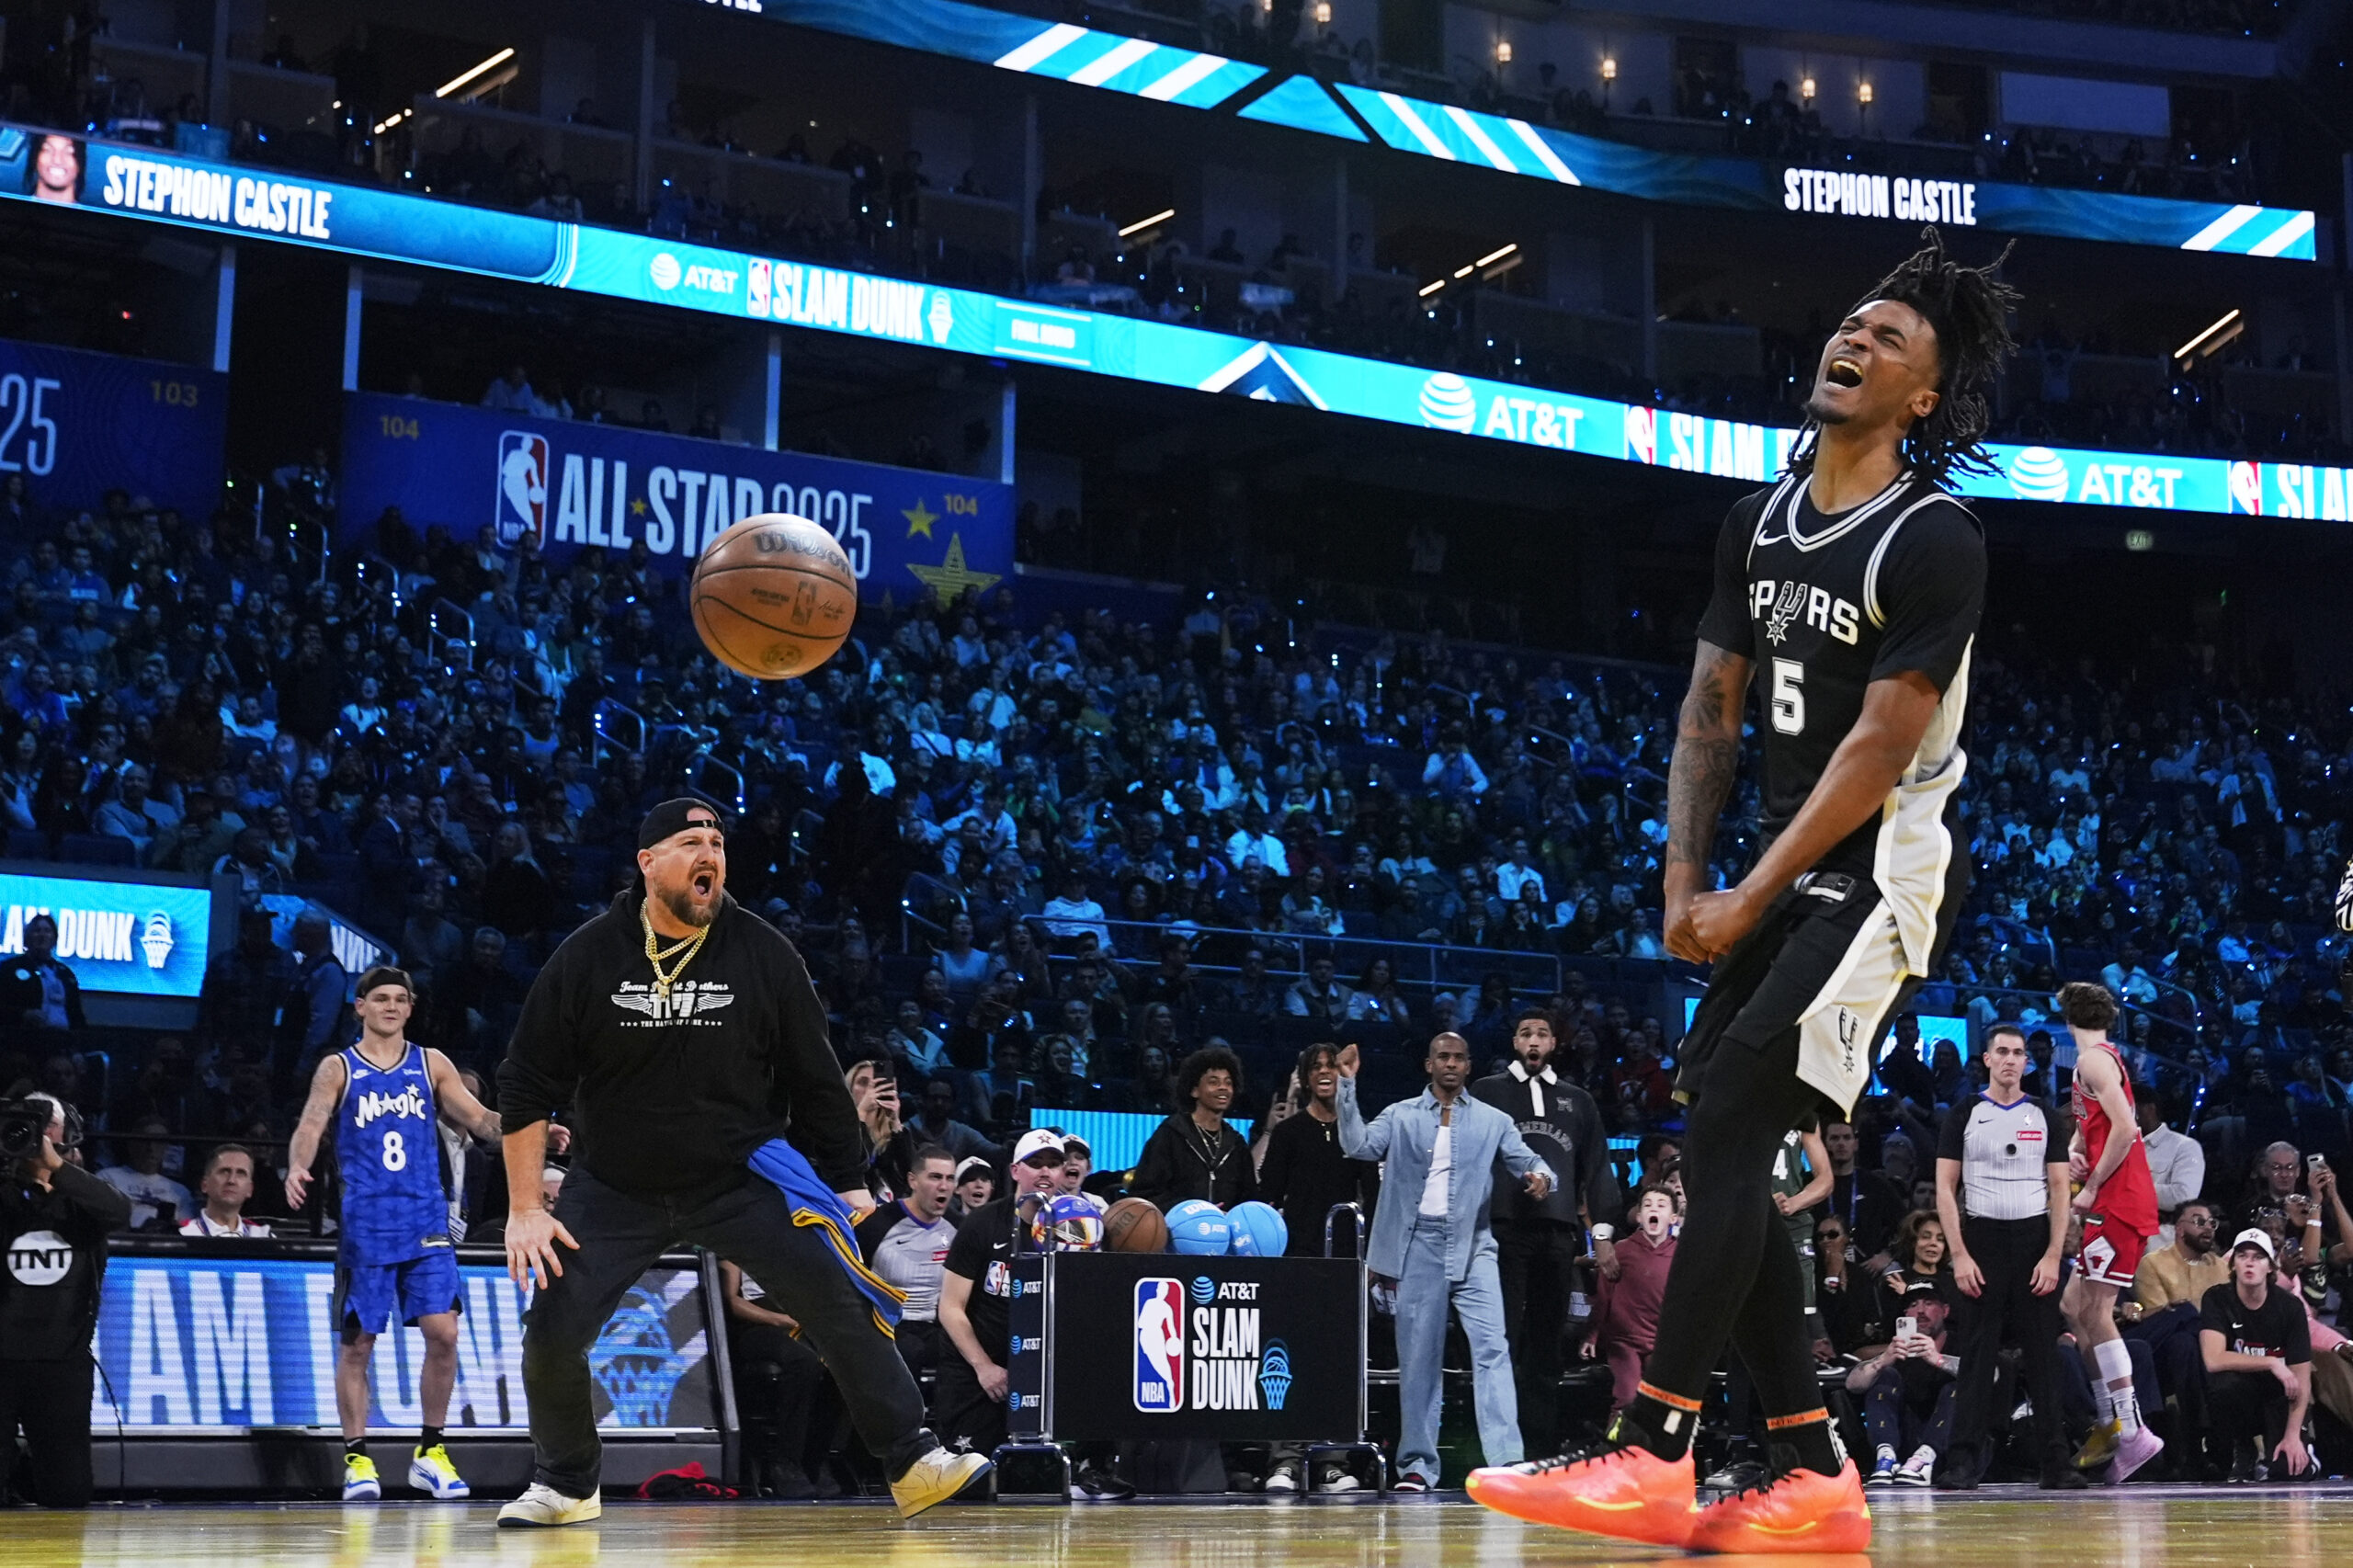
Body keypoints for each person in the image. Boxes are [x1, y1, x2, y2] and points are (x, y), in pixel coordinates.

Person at [1471, 232, 2016, 1552]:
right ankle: (1814, 1470)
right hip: (1778, 884)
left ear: (1924, 397)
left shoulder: (1933, 537)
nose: (1856, 341)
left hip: (1876, 882)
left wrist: (1752, 889)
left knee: (1725, 1127)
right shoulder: (1756, 522)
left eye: (1891, 339)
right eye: (1852, 324)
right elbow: (1709, 718)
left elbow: (1879, 746)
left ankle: (1654, 1447)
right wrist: (1682, 883)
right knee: (1723, 1144)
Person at [494, 800, 987, 1527]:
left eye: (718, 842)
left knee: (838, 1300)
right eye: (692, 842)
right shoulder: (590, 954)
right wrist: (526, 1207)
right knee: (553, 1334)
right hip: (616, 1183)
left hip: (739, 1174)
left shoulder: (760, 950)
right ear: (648, 862)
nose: (712, 855)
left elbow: (814, 1075)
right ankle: (568, 1484)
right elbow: (525, 1083)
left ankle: (913, 1463)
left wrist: (848, 1182)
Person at [287, 967, 511, 1504]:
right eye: (380, 998)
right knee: (359, 1342)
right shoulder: (338, 1067)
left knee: (445, 1332)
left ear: (411, 1009)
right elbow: (312, 1124)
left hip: (426, 1220)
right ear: (359, 1006)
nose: (391, 1006)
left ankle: (430, 1452)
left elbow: (480, 1121)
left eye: (401, 999)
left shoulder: (431, 1063)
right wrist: (298, 1166)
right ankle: (358, 1458)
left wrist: (531, 1134)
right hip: (366, 1224)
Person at [1337, 1034, 1553, 1491]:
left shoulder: (1494, 1120)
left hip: (1475, 1247)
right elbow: (1358, 1146)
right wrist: (1346, 1087)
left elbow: (1529, 1159)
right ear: (1428, 1063)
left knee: (1493, 1350)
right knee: (1419, 1359)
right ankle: (1416, 1465)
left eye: (1458, 1058)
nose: (1451, 1064)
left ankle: (1508, 1462)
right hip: (1417, 1246)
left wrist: (1540, 1177)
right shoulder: (1400, 1115)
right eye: (1443, 1057)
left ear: (1469, 1066)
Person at [1934, 1023, 2081, 1489]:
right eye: (2003, 1051)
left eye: (2019, 1052)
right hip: (1982, 1239)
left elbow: (2061, 1189)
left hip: (2036, 1240)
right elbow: (1944, 1187)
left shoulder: (2044, 1115)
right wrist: (1958, 1254)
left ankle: (2056, 1463)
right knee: (1977, 1356)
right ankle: (1962, 1461)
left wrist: (2054, 1254)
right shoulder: (1965, 1113)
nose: (2012, 1059)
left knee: (2044, 1355)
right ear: (1988, 1058)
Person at [1472, 1006, 1613, 1457]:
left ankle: (1541, 1448)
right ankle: (1501, 1449)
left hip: (1558, 1235)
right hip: (1502, 1232)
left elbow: (1596, 1168)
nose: (1533, 1041)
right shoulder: (1486, 1092)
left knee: (1546, 1345)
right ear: (1515, 1042)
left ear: (1554, 1044)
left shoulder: (1578, 1100)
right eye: (1525, 1033)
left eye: (1542, 1034)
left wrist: (1604, 1232)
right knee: (1502, 1339)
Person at [1258, 1044, 1381, 1494]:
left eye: (1333, 1067)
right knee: (1287, 1360)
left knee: (1337, 1364)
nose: (1326, 1074)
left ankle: (1331, 1459)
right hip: (1297, 1262)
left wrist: (1373, 1264)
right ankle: (1286, 1461)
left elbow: (1377, 1201)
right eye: (1318, 1068)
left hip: (1347, 1266)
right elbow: (1266, 1197)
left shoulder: (1362, 1135)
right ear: (1306, 1078)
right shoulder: (1289, 1132)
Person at [2058, 982, 2164, 1481]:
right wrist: (2079, 1143)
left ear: (2065, 1017)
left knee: (2097, 1310)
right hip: (2115, 1195)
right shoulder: (2101, 1059)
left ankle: (2132, 1426)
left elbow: (2127, 1128)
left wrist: (2090, 1184)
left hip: (2118, 1199)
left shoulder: (2093, 1063)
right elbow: (2099, 1124)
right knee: (2073, 1307)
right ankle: (2109, 1419)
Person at [0, 1094, 128, 1507]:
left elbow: (119, 1210)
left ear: (66, 1133)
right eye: (26, 1122)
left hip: (62, 1362)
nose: (36, 1133)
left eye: (45, 1123)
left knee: (69, 1492)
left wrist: (56, 1167)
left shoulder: (83, 1198)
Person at [936, 1130, 1066, 1460]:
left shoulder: (1076, 1227)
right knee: (971, 1480)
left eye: (1053, 1164)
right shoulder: (981, 1224)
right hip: (980, 1367)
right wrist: (984, 1367)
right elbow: (950, 1307)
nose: (1045, 1172)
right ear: (1014, 1171)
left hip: (1046, 1369)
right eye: (1034, 1163)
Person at [2199, 1229, 2313, 1483]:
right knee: (2223, 1385)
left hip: (2280, 1396)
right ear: (2233, 1264)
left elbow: (2302, 1378)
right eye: (2243, 1256)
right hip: (2243, 1394)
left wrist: (2293, 1436)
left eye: (2259, 1257)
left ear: (2271, 1268)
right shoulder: (2217, 1299)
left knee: (2288, 1472)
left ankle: (2306, 1450)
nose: (2250, 1262)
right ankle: (2244, 1447)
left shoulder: (2290, 1307)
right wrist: (2271, 1362)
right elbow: (2214, 1359)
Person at [855, 1145, 961, 1385]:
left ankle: (950, 1422)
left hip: (935, 1325)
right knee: (909, 1351)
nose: (944, 1186)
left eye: (950, 1179)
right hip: (884, 1325)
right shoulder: (876, 1226)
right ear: (913, 1181)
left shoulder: (959, 1228)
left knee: (966, 1350)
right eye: (935, 1177)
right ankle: (906, 1422)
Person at [1847, 1278, 1959, 1486]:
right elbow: (1853, 1385)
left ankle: (1924, 1460)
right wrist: (1882, 1361)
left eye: (1928, 1303)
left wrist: (1939, 1359)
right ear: (1905, 1315)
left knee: (1958, 1387)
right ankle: (1885, 1458)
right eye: (1913, 1305)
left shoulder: (1960, 1341)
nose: (1920, 1311)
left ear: (1945, 1310)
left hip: (1948, 1444)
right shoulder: (1898, 1349)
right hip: (1905, 1438)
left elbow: (1994, 1376)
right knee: (1885, 1375)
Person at [1587, 1185, 1680, 1410]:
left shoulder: (1682, 1254)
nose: (1653, 1209)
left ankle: (1654, 1445)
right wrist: (1592, 1335)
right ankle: (1617, 1444)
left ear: (1673, 1218)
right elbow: (1603, 1294)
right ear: (1639, 1216)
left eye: (1661, 1205)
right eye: (1647, 1205)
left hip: (1660, 1343)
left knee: (1663, 1400)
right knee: (1628, 1398)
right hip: (1624, 1341)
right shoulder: (1621, 1250)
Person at [1131, 1045, 1257, 1210]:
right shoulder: (1170, 1134)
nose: (1223, 1088)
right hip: (1178, 1230)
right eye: (1214, 1082)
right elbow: (1144, 1193)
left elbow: (1247, 1197)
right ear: (1194, 1090)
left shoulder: (1236, 1144)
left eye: (1228, 1083)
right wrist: (1196, 1211)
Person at [96, 1115, 193, 1230]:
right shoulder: (107, 1178)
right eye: (145, 1140)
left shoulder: (179, 1191)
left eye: (159, 1141)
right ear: (131, 1143)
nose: (151, 1147)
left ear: (166, 1147)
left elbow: (187, 1228)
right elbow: (99, 1220)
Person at [1, 914, 85, 1046]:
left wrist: (78, 1050)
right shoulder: (9, 969)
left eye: (47, 931)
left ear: (54, 938)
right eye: (37, 931)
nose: (42, 935)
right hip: (20, 1040)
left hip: (61, 1041)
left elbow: (76, 1015)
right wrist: (23, 1014)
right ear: (27, 937)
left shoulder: (65, 974)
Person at [180, 1143, 271, 1237]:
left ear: (250, 1189)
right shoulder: (182, 1234)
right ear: (204, 1185)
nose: (231, 1180)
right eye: (224, 1172)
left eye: (240, 1173)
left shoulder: (264, 1237)